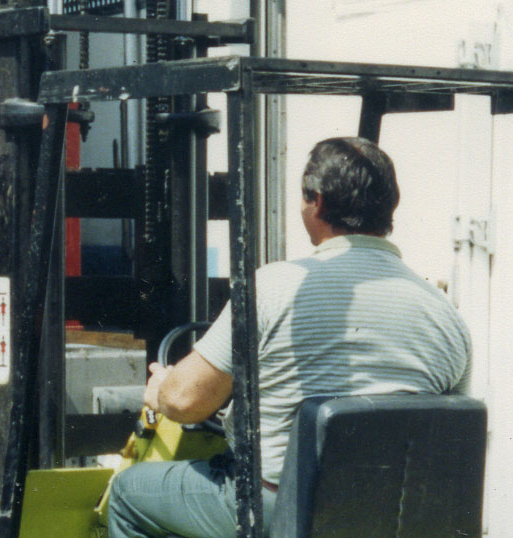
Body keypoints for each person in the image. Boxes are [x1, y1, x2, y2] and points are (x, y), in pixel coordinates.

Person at [106, 136, 473, 538]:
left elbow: (185, 400)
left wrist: (161, 390)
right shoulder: (446, 316)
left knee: (128, 493)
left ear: (317, 202)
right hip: (390, 516)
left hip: (281, 508)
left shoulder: (274, 288)